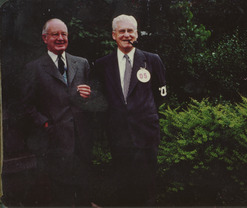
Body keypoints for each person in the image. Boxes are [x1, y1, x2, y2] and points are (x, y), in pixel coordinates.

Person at [21, 18, 98, 206]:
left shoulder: (82, 63)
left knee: (83, 193)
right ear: (44, 38)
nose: (61, 38)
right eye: (55, 34)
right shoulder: (34, 68)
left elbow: (94, 99)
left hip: (82, 141)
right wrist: (45, 124)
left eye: (64, 34)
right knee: (59, 195)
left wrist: (90, 96)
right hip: (53, 142)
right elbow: (26, 106)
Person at [94, 14, 167, 206]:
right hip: (118, 133)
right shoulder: (102, 65)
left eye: (130, 31)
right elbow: (101, 96)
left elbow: (161, 94)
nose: (126, 35)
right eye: (122, 31)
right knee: (123, 182)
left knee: (147, 184)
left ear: (137, 34)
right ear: (114, 35)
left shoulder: (152, 60)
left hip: (145, 132)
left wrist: (142, 112)